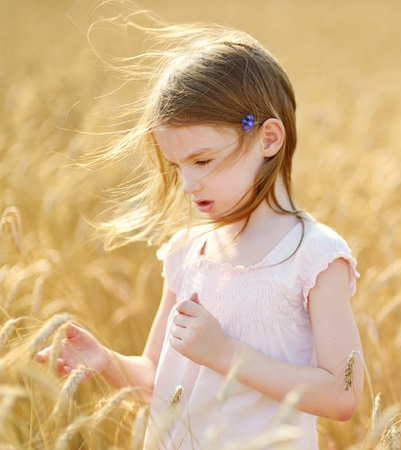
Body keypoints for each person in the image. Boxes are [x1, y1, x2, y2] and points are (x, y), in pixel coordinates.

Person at [36, 20, 363, 449]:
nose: (188, 184)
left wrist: (225, 354)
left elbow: (342, 394)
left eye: (203, 161)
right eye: (177, 167)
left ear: (268, 138)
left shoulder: (314, 256)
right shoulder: (189, 253)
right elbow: (160, 379)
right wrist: (107, 361)